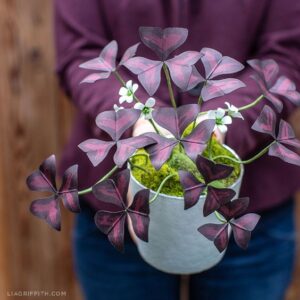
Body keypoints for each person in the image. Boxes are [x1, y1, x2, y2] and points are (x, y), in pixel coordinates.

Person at [54, 1, 300, 299]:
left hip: (249, 210)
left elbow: (287, 56)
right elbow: (81, 54)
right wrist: (139, 122)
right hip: (117, 205)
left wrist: (217, 124)